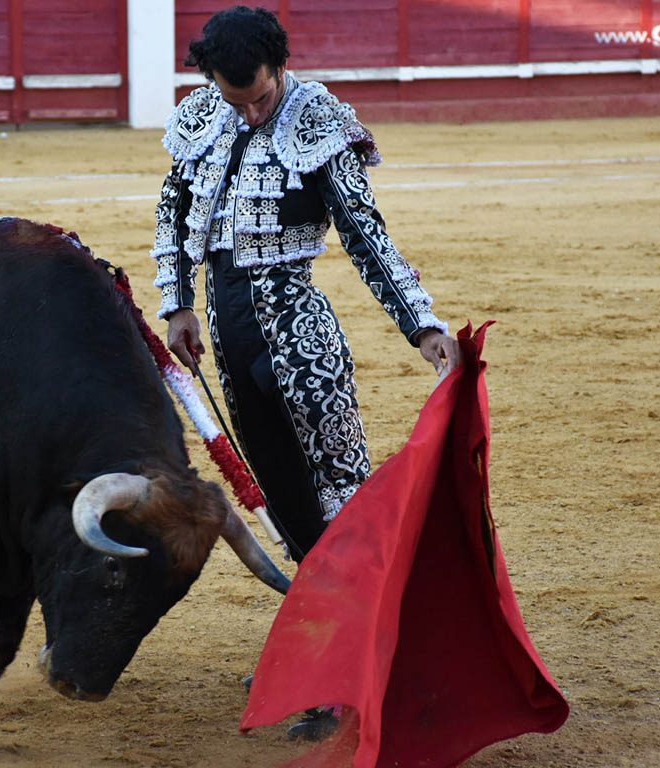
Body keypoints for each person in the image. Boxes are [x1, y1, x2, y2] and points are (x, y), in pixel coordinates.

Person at [150, 6, 462, 739]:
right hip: (227, 331)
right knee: (283, 504)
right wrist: (176, 306)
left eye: (260, 96)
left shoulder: (319, 118)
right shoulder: (203, 114)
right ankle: (317, 653)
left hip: (297, 331)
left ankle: (362, 659)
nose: (252, 112)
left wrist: (422, 324)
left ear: (280, 67)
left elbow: (365, 234)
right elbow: (174, 209)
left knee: (341, 496)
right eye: (237, 101)